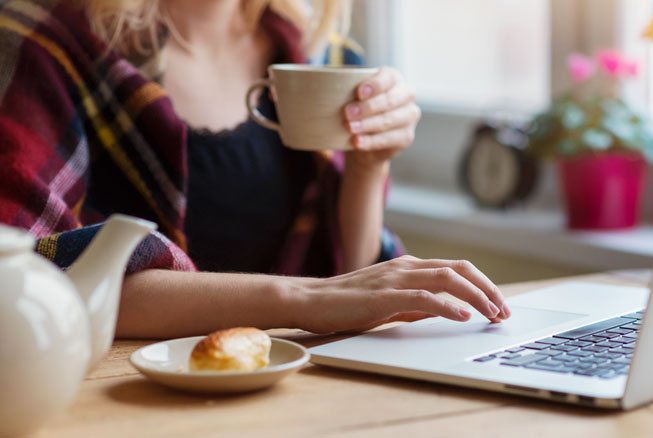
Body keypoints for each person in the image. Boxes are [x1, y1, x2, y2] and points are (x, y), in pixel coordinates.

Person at [0, 0, 511, 338]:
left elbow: (349, 282)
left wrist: (368, 167)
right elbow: (23, 275)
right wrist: (300, 298)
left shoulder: (314, 48)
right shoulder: (41, 39)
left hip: (291, 387)